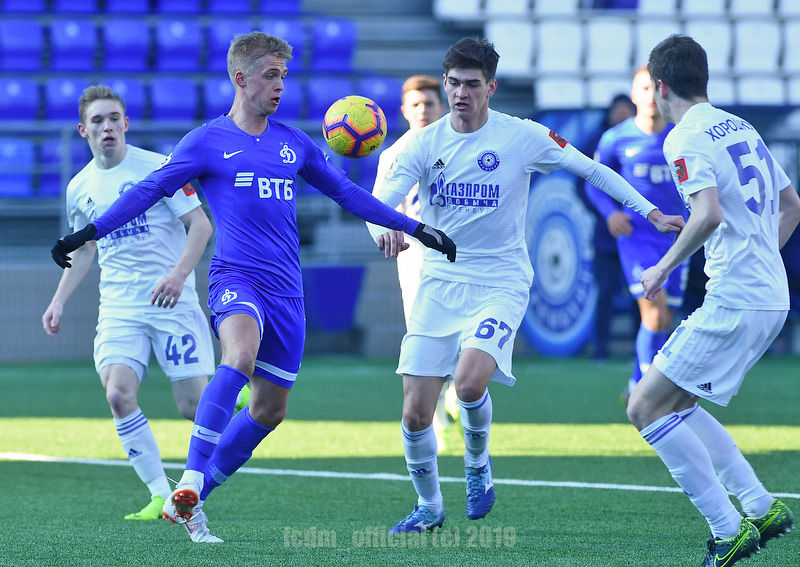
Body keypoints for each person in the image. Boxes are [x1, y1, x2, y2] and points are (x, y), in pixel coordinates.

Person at [50, 32, 456, 544]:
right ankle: (192, 475)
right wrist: (88, 232)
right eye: (270, 75)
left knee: (270, 410)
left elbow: (349, 194)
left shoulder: (295, 143)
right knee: (238, 357)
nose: (280, 85)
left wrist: (418, 229)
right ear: (241, 78)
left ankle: (194, 502)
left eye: (284, 76)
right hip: (235, 278)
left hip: (288, 291)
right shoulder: (205, 141)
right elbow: (149, 191)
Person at [367, 37, 684, 533]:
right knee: (414, 414)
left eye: (473, 85)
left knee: (470, 383)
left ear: (491, 88)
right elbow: (380, 200)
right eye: (454, 83)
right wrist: (385, 229)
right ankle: (428, 506)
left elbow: (593, 169)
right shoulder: (420, 144)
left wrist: (650, 212)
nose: (461, 93)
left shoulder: (522, 136)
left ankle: (477, 466)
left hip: (501, 280)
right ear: (446, 83)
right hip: (439, 282)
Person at [628, 34, 799, 567]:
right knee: (677, 403)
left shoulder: (683, 138)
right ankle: (760, 506)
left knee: (644, 405)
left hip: (737, 298)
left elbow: (707, 215)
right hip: (770, 296)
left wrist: (661, 266)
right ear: (703, 77)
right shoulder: (740, 126)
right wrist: (761, 260)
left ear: (659, 87)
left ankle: (728, 531)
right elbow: (792, 204)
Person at [42, 84, 215, 521]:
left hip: (171, 301)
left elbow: (201, 227)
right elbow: (84, 250)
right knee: (119, 395)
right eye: (97, 121)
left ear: (126, 124)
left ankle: (228, 394)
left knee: (192, 408)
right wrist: (58, 300)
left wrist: (178, 277)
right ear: (84, 130)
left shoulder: (160, 169)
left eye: (114, 118)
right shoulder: (79, 187)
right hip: (119, 308)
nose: (107, 127)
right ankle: (160, 494)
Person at [586, 66, 689, 403]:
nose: (649, 95)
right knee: (655, 310)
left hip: (679, 238)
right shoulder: (616, 138)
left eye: (654, 89)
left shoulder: (681, 137)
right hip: (637, 237)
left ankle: (635, 382)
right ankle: (647, 392)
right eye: (642, 88)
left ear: (666, 94)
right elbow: (595, 182)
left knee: (664, 317)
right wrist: (611, 213)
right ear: (633, 95)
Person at [372, 74, 456, 452]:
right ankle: (437, 418)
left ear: (443, 106)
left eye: (430, 103)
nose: (423, 110)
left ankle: (457, 392)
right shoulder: (393, 155)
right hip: (417, 262)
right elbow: (375, 208)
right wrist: (384, 233)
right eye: (416, 104)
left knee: (465, 337)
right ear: (404, 110)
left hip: (463, 258)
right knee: (424, 345)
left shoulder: (460, 146)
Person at [578, 93, 635, 361]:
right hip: (607, 234)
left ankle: (644, 349)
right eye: (618, 110)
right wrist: (604, 213)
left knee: (643, 295)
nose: (622, 114)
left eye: (627, 109)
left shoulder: (644, 139)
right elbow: (583, 181)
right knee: (605, 293)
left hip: (639, 232)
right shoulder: (599, 141)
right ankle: (600, 348)